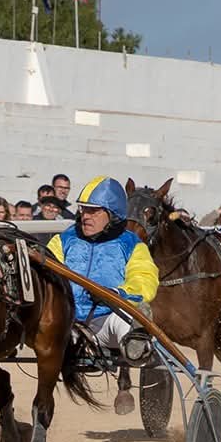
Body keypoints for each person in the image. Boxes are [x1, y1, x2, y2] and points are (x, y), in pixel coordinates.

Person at [46, 176, 160, 413]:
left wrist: (118, 293)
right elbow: (45, 271)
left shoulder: (132, 244)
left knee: (129, 320)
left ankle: (136, 343)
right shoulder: (63, 240)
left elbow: (144, 278)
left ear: (113, 214)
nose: (85, 216)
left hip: (108, 320)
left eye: (93, 211)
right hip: (68, 323)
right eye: (83, 210)